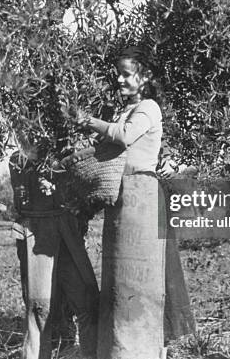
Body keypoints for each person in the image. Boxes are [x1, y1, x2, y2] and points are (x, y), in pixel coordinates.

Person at [75, 46, 193, 359]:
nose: (120, 79)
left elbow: (125, 136)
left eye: (126, 74)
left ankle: (147, 350)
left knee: (143, 279)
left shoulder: (149, 107)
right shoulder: (126, 109)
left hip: (142, 195)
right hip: (122, 197)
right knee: (121, 278)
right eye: (119, 74)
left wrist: (93, 123)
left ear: (145, 77)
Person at [9, 148, 99, 359]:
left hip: (67, 230)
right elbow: (21, 191)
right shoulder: (19, 159)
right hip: (37, 230)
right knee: (40, 308)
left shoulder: (66, 148)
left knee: (88, 301)